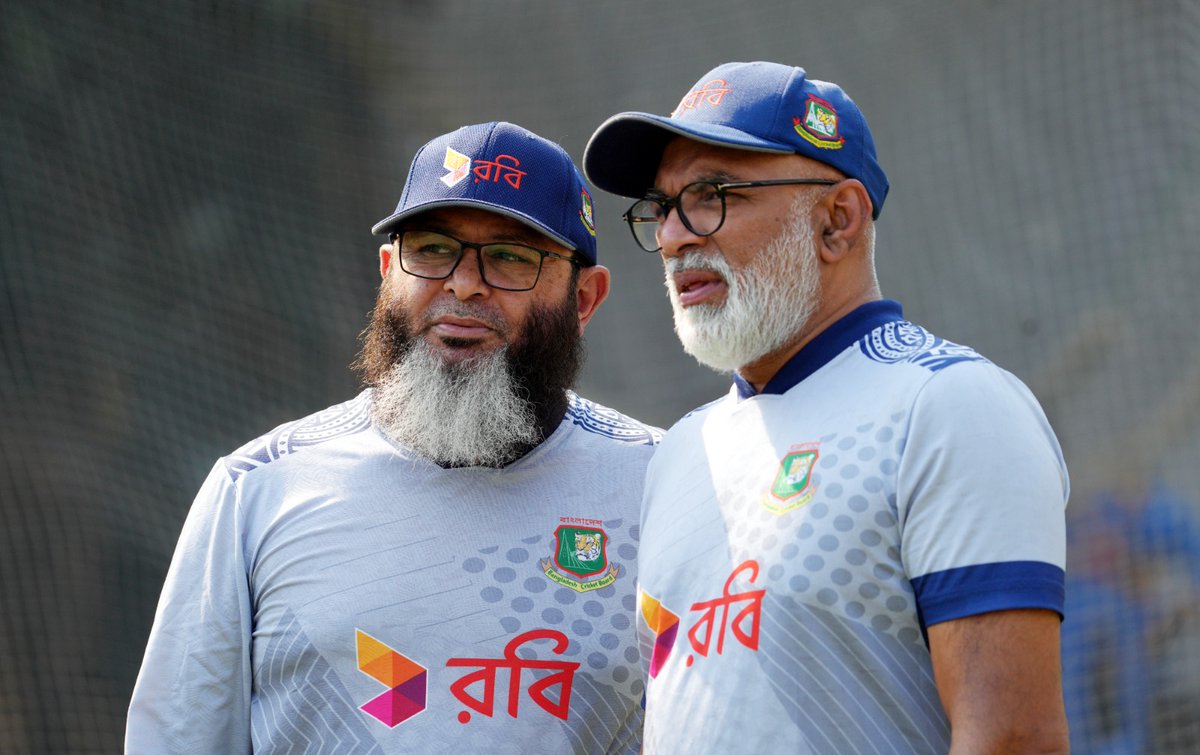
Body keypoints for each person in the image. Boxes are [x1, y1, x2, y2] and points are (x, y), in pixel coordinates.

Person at [126, 121, 660, 754]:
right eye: (433, 249)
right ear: (388, 271)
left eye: (512, 257)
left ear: (583, 300)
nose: (463, 284)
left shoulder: (661, 483)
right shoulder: (256, 488)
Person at [583, 62, 1070, 753]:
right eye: (662, 208)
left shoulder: (948, 405)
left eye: (712, 194)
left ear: (837, 220)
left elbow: (1014, 739)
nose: (673, 237)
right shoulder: (683, 450)